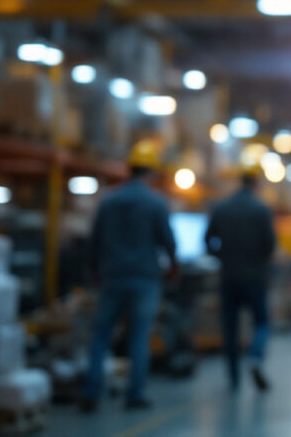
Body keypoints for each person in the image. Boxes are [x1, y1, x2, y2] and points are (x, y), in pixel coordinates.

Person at [82, 140, 178, 412]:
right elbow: (168, 241)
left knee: (101, 335)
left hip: (112, 276)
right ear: (151, 171)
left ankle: (91, 391)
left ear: (129, 168)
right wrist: (173, 267)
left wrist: (95, 273)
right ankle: (134, 394)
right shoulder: (156, 203)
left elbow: (94, 242)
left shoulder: (109, 201)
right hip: (145, 278)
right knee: (139, 336)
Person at [204, 161, 277, 392]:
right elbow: (270, 245)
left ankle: (233, 378)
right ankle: (255, 357)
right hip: (255, 277)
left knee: (230, 328)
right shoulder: (261, 210)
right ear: (256, 181)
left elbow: (207, 242)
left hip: (229, 277)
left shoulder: (221, 208)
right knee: (262, 323)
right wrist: (259, 260)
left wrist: (222, 256)